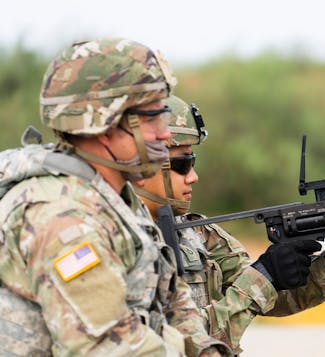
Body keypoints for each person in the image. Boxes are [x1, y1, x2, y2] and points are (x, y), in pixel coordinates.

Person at [0, 38, 230, 356]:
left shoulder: (116, 198)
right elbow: (110, 347)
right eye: (151, 119)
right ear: (104, 127)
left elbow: (172, 306)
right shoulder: (63, 218)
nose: (165, 134)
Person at [134, 95, 325, 353]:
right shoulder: (122, 243)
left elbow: (272, 299)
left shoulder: (198, 234)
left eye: (194, 162)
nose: (194, 177)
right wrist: (263, 276)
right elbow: (178, 343)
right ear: (142, 165)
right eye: (183, 164)